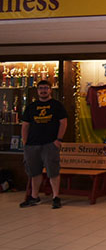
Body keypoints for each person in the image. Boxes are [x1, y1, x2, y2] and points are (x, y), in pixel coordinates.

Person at [20, 80, 68, 209]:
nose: (43, 90)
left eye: (46, 88)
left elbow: (63, 122)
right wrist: (25, 142)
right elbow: (25, 125)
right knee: (34, 172)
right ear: (37, 90)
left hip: (50, 144)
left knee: (53, 171)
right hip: (32, 145)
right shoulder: (31, 107)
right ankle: (35, 197)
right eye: (41, 88)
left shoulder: (57, 105)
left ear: (50, 90)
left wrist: (58, 140)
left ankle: (55, 197)